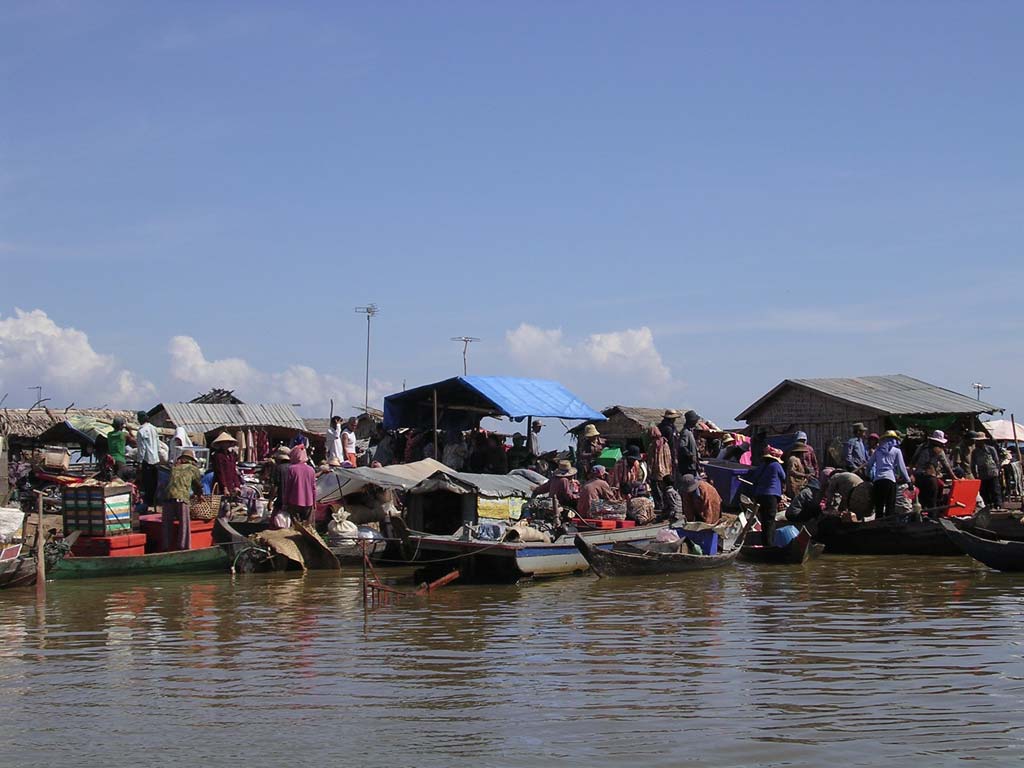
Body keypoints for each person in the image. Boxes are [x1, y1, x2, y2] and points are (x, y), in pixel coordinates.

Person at [163, 449, 204, 551]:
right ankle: (183, 546)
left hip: (168, 497)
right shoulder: (193, 469)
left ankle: (167, 546)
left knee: (167, 524)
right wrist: (199, 495)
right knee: (184, 523)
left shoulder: (174, 468)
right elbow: (197, 485)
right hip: (182, 498)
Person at [746, 446, 786, 547]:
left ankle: (765, 543)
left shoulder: (762, 466)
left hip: (760, 495)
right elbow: (784, 476)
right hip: (771, 496)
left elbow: (755, 478)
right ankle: (769, 545)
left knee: (764, 520)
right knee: (770, 520)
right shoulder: (776, 465)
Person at [867, 430, 912, 519]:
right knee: (890, 506)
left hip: (878, 480)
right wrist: (908, 481)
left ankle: (878, 526)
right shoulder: (896, 451)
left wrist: (868, 475)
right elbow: (901, 467)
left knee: (879, 507)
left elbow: (869, 465)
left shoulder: (878, 450)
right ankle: (888, 527)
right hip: (890, 480)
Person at [911, 430, 956, 514]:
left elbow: (913, 460)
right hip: (929, 477)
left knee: (920, 500)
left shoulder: (921, 447)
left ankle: (920, 518)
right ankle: (933, 517)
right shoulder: (938, 450)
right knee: (932, 501)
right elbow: (946, 465)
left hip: (918, 476)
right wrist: (954, 477)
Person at [278, 444, 317, 523]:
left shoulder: (292, 469)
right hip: (308, 502)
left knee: (295, 525)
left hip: (294, 502)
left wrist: (285, 502)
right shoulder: (311, 470)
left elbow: (288, 487)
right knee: (307, 526)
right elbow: (314, 488)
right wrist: (314, 502)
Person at [134, 410, 162, 511]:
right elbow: (158, 445)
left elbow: (142, 448)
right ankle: (154, 504)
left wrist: (139, 462)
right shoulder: (154, 429)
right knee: (154, 484)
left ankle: (148, 504)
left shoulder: (141, 431)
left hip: (147, 461)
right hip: (156, 460)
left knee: (147, 484)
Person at [971, 432, 1003, 509]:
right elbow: (973, 464)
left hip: (992, 473)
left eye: (980, 441)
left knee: (995, 490)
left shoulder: (991, 449)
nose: (978, 442)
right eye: (977, 441)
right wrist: (975, 475)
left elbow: (996, 461)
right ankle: (987, 507)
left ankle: (998, 505)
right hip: (982, 474)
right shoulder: (975, 452)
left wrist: (997, 471)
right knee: (984, 492)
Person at [677, 410, 702, 476]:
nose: (696, 422)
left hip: (691, 466)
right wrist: (691, 456)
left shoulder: (690, 431)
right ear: (692, 421)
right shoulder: (685, 432)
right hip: (688, 466)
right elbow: (682, 446)